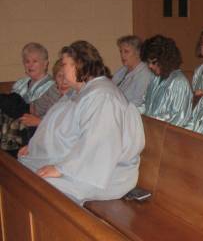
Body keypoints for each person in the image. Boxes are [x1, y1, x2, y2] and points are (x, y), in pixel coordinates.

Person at [18, 40, 145, 205]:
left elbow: (98, 143)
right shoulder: (80, 91)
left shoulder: (102, 95)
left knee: (40, 184)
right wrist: (36, 147)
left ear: (79, 64)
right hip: (78, 160)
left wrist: (61, 168)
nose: (61, 70)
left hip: (102, 173)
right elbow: (56, 126)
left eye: (64, 65)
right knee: (22, 167)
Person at [139, 35, 193, 127]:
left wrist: (150, 121)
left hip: (169, 136)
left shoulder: (178, 82)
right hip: (152, 130)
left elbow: (178, 118)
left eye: (154, 62)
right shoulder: (155, 79)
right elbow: (145, 105)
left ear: (165, 59)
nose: (150, 66)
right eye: (148, 62)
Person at [4, 43, 55, 118]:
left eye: (35, 61)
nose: (30, 65)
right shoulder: (19, 83)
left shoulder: (53, 86)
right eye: (27, 61)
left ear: (45, 64)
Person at [20, 59, 68, 128]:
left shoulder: (75, 100)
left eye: (67, 76)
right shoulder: (59, 97)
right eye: (60, 76)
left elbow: (66, 128)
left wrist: (38, 122)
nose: (64, 81)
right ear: (55, 80)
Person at [111, 35, 154, 107]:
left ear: (138, 53)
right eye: (121, 51)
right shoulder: (122, 70)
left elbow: (139, 102)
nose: (122, 55)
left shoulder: (144, 74)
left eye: (126, 51)